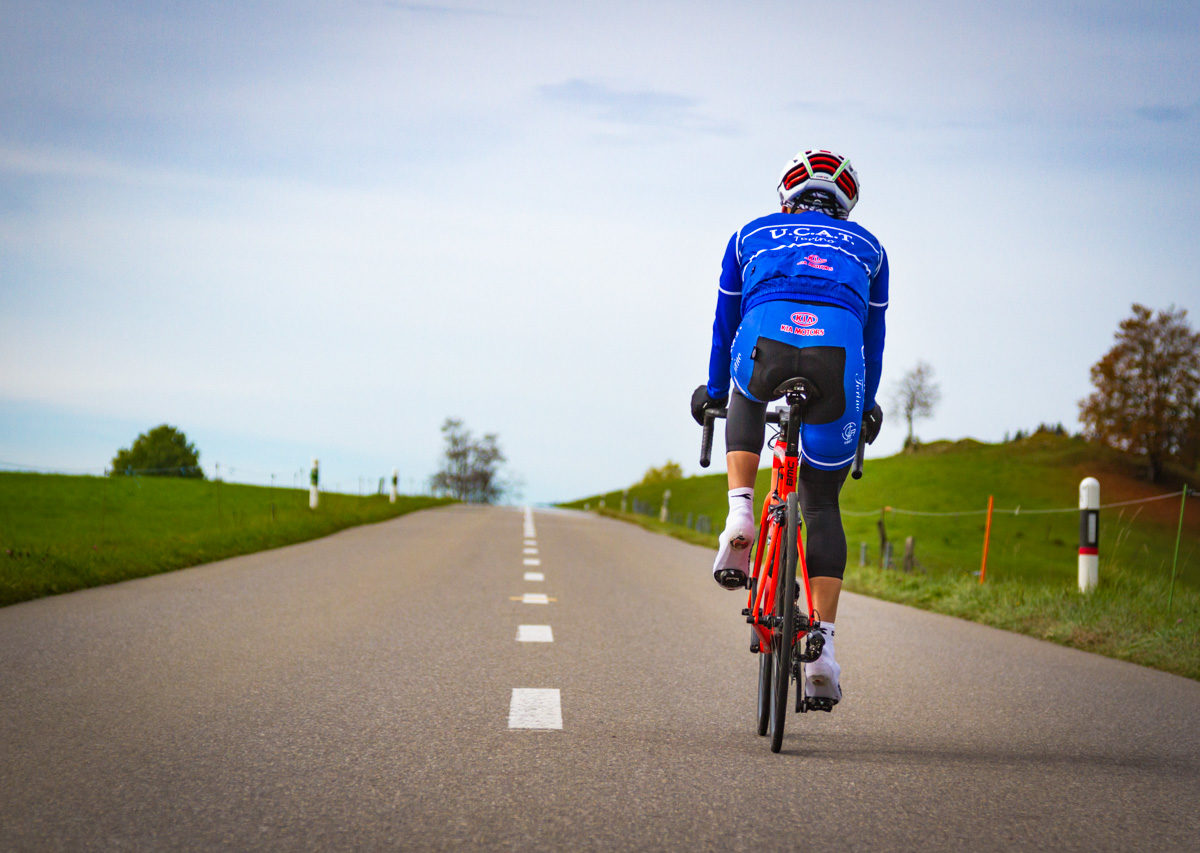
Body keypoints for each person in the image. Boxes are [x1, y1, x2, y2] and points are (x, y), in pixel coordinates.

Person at [690, 148, 888, 705]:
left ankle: (741, 514)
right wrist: (865, 403)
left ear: (787, 197)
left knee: (744, 391)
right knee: (821, 504)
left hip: (764, 340)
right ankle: (822, 648)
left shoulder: (749, 234)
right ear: (846, 205)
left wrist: (713, 389)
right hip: (839, 357)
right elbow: (873, 339)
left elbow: (724, 320)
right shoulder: (871, 247)